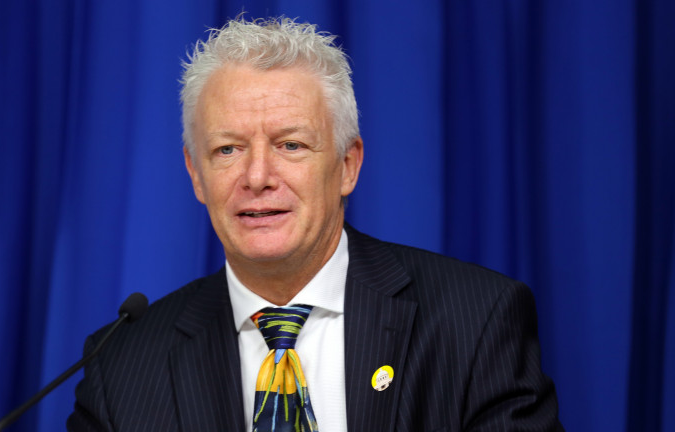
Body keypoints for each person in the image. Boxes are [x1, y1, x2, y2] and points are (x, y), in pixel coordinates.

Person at [68, 17, 562, 431]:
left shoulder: (474, 322)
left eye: (291, 145)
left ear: (348, 165)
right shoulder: (121, 366)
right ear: (196, 174)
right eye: (228, 149)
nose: (257, 177)